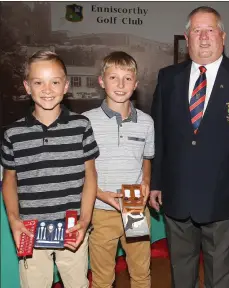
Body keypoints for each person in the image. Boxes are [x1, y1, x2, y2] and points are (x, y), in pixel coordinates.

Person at [149, 6, 229, 288]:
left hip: (223, 196)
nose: (203, 37)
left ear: (223, 37)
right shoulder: (168, 78)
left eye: (210, 30)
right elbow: (159, 137)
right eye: (196, 31)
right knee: (181, 273)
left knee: (221, 275)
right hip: (177, 195)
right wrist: (155, 183)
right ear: (187, 38)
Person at [0, 50, 99, 288]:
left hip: (72, 228)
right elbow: (9, 180)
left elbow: (91, 176)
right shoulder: (12, 134)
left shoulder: (81, 126)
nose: (47, 89)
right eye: (38, 82)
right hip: (30, 231)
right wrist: (14, 221)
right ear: (27, 86)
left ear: (65, 86)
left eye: (55, 82)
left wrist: (85, 220)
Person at [83, 51, 154, 288]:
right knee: (102, 279)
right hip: (101, 211)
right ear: (102, 81)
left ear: (136, 83)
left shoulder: (146, 122)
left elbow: (147, 158)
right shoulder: (86, 122)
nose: (121, 84)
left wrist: (146, 181)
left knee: (141, 274)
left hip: (135, 209)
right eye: (113, 78)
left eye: (127, 78)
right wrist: (99, 194)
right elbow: (81, 169)